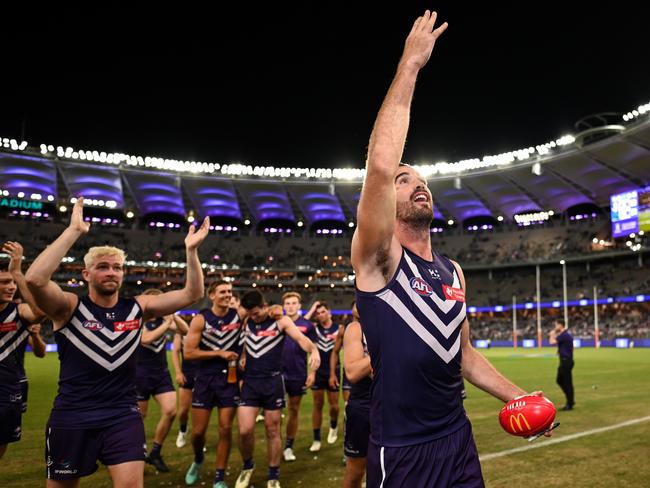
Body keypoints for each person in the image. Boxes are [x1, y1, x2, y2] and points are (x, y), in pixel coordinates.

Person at [351, 11, 541, 487]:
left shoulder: (454, 271)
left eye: (422, 180)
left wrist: (521, 398)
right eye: (405, 179)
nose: (418, 184)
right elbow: (378, 165)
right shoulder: (380, 260)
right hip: (402, 452)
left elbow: (463, 352)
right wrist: (410, 66)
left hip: (457, 440)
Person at [24, 197, 209, 487]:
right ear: (86, 274)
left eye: (117, 267)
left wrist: (191, 250)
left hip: (122, 415)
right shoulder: (69, 307)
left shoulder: (138, 306)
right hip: (72, 416)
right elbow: (34, 280)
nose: (111, 272)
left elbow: (192, 295)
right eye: (103, 267)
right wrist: (73, 231)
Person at [234, 290, 320, 488]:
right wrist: (245, 354)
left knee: (273, 430)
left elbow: (301, 339)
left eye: (256, 313)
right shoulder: (246, 320)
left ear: (265, 307)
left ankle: (273, 475)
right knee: (245, 430)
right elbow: (246, 336)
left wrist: (313, 350)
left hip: (273, 382)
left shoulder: (281, 321)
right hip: (250, 382)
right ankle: (247, 466)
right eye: (250, 313)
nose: (253, 317)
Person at [183, 280, 243, 487]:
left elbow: (262, 310)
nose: (227, 295)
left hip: (230, 379)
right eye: (223, 292)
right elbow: (189, 353)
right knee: (198, 432)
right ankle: (198, 458)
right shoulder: (201, 319)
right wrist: (219, 352)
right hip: (205, 378)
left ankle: (219, 477)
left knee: (225, 429)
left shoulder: (239, 315)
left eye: (229, 291)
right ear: (212, 295)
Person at [0, 241, 46, 460]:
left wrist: (17, 273)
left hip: (8, 387)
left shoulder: (19, 311)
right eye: (4, 282)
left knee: (2, 440)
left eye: (12, 283)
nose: (11, 287)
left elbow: (40, 312)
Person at [136, 288, 190, 472]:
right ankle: (136, 453)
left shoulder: (163, 318)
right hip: (139, 375)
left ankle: (156, 451)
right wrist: (166, 325)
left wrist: (171, 314)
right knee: (138, 418)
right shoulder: (137, 320)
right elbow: (146, 339)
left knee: (170, 411)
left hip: (161, 374)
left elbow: (185, 330)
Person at [280, 291, 317, 462]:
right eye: (287, 303)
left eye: (294, 303)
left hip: (297, 373)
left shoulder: (308, 325)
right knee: (273, 413)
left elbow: (313, 351)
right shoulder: (278, 323)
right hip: (277, 374)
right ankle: (276, 443)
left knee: (294, 410)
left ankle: (288, 446)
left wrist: (312, 372)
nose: (291, 306)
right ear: (283, 306)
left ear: (299, 306)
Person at [342, 304, 372, 488]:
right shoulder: (356, 328)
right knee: (355, 472)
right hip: (363, 406)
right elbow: (353, 372)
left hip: (395, 404)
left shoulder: (396, 323)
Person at [309, 301, 341, 451]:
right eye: (318, 313)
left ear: (329, 312)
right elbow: (303, 324)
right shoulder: (314, 329)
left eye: (323, 312)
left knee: (334, 406)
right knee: (317, 404)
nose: (320, 315)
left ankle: (333, 426)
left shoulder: (339, 329)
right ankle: (316, 438)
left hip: (334, 371)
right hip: (318, 371)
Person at [171, 318, 200, 449]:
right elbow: (176, 351)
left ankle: (198, 436)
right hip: (187, 373)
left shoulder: (206, 329)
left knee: (199, 409)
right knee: (183, 410)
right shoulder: (182, 331)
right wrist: (178, 372)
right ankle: (183, 430)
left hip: (202, 373)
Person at [549, 321, 574, 411]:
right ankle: (570, 399)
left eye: (556, 325)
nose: (555, 326)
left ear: (560, 325)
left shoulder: (563, 335)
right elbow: (572, 348)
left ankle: (570, 402)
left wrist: (552, 334)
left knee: (567, 383)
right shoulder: (566, 335)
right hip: (566, 360)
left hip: (565, 361)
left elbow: (551, 342)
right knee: (560, 380)